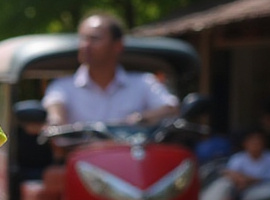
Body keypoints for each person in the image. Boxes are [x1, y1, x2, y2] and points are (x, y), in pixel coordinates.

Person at [42, 12, 179, 127]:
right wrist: (55, 121)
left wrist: (140, 118)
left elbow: (171, 108)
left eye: (94, 39)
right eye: (83, 39)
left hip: (131, 155)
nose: (85, 45)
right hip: (79, 156)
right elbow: (55, 111)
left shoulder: (143, 83)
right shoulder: (62, 87)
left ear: (117, 46)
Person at [217, 128, 270, 200]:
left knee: (247, 199)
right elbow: (228, 172)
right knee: (228, 194)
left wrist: (248, 180)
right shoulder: (238, 157)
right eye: (252, 143)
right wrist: (241, 179)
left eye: (258, 142)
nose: (255, 145)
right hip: (241, 187)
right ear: (245, 144)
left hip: (264, 189)